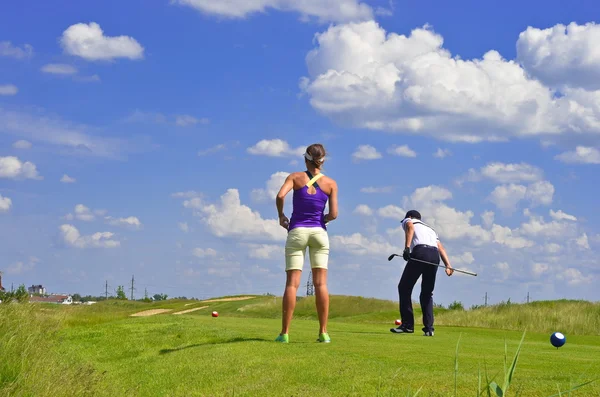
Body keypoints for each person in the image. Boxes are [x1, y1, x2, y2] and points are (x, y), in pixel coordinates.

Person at [274, 143, 338, 343]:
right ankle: (323, 332)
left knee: (292, 284)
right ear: (322, 160)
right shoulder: (331, 183)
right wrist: (322, 220)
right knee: (321, 284)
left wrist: (281, 216)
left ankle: (284, 333)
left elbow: (280, 195)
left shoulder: (295, 177)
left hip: (297, 231)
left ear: (305, 159)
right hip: (319, 233)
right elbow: (334, 214)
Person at [390, 210, 454, 336]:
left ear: (409, 216)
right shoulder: (430, 229)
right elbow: (440, 247)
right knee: (427, 293)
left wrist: (407, 248)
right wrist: (448, 265)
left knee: (404, 287)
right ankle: (429, 329)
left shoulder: (408, 220)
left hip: (420, 252)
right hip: (434, 256)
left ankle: (408, 325)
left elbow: (409, 227)